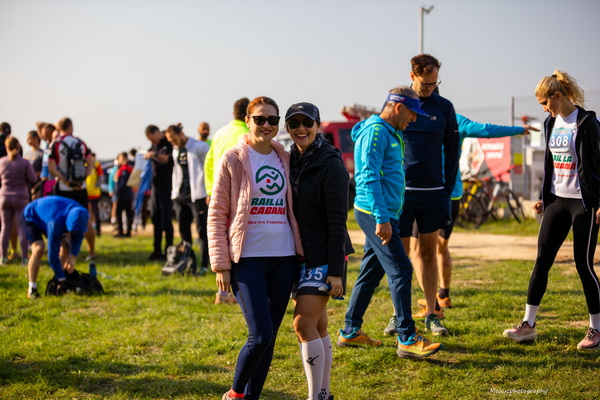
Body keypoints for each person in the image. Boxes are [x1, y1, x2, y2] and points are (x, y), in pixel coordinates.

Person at [386, 115, 538, 334]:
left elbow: (485, 129)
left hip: (437, 194)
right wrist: (518, 130)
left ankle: (431, 308)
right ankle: (440, 298)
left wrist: (517, 130)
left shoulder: (439, 119)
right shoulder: (447, 119)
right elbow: (486, 129)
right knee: (435, 249)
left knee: (421, 251)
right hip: (442, 194)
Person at [208, 96, 303, 400]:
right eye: (259, 119)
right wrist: (221, 265)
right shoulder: (234, 159)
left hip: (284, 258)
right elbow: (217, 213)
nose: (266, 125)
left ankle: (251, 397)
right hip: (247, 260)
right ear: (247, 121)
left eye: (272, 120)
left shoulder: (285, 158)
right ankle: (235, 394)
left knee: (270, 337)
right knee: (260, 335)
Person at [337, 86, 442, 359]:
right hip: (376, 213)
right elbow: (368, 176)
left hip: (384, 213)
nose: (414, 119)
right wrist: (382, 218)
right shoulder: (376, 132)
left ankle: (350, 330)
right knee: (401, 269)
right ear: (398, 107)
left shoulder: (389, 131)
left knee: (371, 273)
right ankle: (407, 337)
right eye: (412, 113)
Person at [503, 70, 600, 351]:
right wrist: (543, 198)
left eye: (545, 102)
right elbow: (551, 164)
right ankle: (528, 325)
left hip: (583, 203)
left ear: (558, 96)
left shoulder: (586, 123)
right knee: (541, 261)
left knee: (583, 265)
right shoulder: (550, 123)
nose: (544, 109)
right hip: (557, 201)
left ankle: (596, 328)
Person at [286, 102, 353, 400]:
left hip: (325, 256)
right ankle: (324, 394)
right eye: (294, 123)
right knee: (319, 325)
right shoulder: (291, 159)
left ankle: (315, 397)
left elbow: (338, 220)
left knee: (303, 324)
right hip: (301, 255)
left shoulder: (330, 163)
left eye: (307, 122)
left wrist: (335, 271)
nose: (301, 128)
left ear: (318, 125)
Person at [398, 54, 459, 336]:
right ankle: (398, 314)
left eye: (435, 83)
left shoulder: (444, 107)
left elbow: (453, 150)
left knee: (429, 254)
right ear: (413, 76)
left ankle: (432, 313)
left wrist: (447, 189)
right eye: (426, 83)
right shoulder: (399, 103)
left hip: (434, 193)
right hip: (402, 194)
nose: (431, 88)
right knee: (400, 258)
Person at [205, 97, 249, 304]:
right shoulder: (248, 133)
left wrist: (210, 191)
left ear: (233, 113)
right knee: (239, 240)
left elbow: (208, 163)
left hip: (218, 191)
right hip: (240, 193)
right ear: (248, 116)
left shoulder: (220, 133)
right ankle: (241, 289)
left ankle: (222, 293)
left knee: (222, 237)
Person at [47, 117, 96, 263]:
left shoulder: (55, 143)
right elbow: (90, 162)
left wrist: (66, 181)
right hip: (81, 188)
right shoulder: (80, 142)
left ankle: (66, 254)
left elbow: (51, 167)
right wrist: (82, 179)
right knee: (85, 219)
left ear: (59, 128)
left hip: (63, 189)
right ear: (71, 126)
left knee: (63, 222)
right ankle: (91, 252)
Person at [22, 195, 89, 299]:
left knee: (66, 247)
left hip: (52, 215)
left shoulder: (81, 213)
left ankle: (61, 277)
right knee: (39, 248)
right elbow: (52, 256)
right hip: (32, 216)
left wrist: (73, 256)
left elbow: (77, 236)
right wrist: (61, 279)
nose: (74, 233)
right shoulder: (55, 223)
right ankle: (32, 289)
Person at [165, 124, 210, 274]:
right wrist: (174, 193)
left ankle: (205, 265)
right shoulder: (175, 150)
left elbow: (210, 169)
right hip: (180, 196)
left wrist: (209, 192)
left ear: (181, 134)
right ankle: (190, 263)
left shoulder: (200, 147)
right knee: (184, 232)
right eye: (170, 141)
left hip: (198, 196)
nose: (172, 143)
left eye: (173, 139)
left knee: (202, 232)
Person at [0, 137, 36, 265]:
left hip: (4, 197)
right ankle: (25, 258)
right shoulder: (24, 163)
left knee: (5, 228)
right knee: (22, 228)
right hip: (20, 197)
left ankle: (3, 258)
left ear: (6, 147)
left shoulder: (2, 162)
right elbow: (33, 178)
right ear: (19, 147)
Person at [144, 125, 174, 261]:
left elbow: (168, 159)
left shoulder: (168, 143)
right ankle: (157, 250)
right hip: (155, 186)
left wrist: (155, 155)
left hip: (167, 186)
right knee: (155, 219)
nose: (152, 142)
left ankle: (169, 250)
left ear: (157, 133)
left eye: (152, 138)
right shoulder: (153, 146)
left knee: (166, 220)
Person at [114, 152, 134, 238]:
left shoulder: (125, 169)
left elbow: (122, 183)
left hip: (123, 195)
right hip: (128, 194)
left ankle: (121, 231)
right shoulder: (128, 168)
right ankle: (127, 231)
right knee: (128, 213)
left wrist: (117, 192)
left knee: (120, 213)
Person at [86, 153, 103, 236]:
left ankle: (98, 230)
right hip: (86, 192)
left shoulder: (97, 165)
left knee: (95, 211)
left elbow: (101, 177)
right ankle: (87, 230)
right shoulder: (85, 164)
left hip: (95, 193)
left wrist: (96, 186)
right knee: (87, 212)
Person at [24, 130, 44, 200]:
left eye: (29, 138)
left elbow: (45, 171)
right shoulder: (27, 154)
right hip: (27, 186)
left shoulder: (42, 153)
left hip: (38, 186)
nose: (27, 141)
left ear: (36, 138)